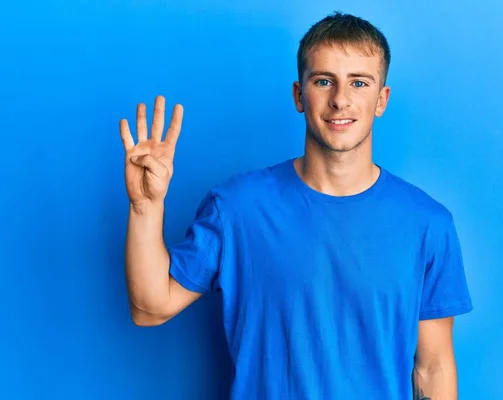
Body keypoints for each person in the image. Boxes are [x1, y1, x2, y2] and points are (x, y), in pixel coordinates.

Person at [120, 11, 473, 400]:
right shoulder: (237, 209)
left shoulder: (427, 224)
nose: (341, 100)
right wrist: (145, 208)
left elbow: (434, 366)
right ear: (299, 95)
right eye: (324, 81)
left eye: (359, 82)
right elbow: (149, 308)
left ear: (381, 99)